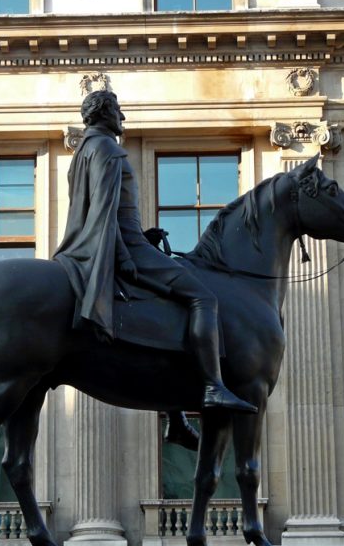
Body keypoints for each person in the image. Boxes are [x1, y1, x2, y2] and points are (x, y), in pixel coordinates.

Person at [53, 90, 256, 415]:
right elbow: (103, 212)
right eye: (118, 109)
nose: (123, 116)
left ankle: (175, 417)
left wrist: (143, 236)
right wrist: (126, 256)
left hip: (126, 243)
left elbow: (106, 214)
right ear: (104, 112)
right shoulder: (107, 148)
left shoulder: (84, 151)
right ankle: (212, 387)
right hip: (125, 249)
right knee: (203, 299)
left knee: (165, 309)